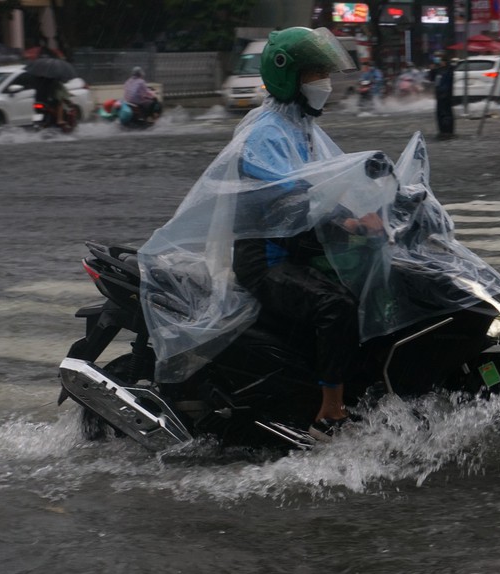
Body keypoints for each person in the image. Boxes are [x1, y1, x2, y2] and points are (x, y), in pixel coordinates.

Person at [137, 27, 382, 442]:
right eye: (316, 73)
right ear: (289, 76)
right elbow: (292, 188)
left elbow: (336, 174)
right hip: (267, 260)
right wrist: (346, 219)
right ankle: (330, 411)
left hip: (297, 251)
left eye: (325, 71)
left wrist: (379, 203)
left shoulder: (302, 126)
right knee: (335, 306)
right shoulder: (264, 131)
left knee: (366, 290)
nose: (325, 81)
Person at [431, 55, 455, 138]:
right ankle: (442, 131)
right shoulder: (438, 70)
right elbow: (431, 78)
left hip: (446, 96)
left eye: (441, 61)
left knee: (446, 114)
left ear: (444, 61)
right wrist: (432, 69)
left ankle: (447, 132)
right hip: (439, 96)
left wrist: (444, 93)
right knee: (439, 114)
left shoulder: (448, 70)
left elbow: (447, 83)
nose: (439, 62)